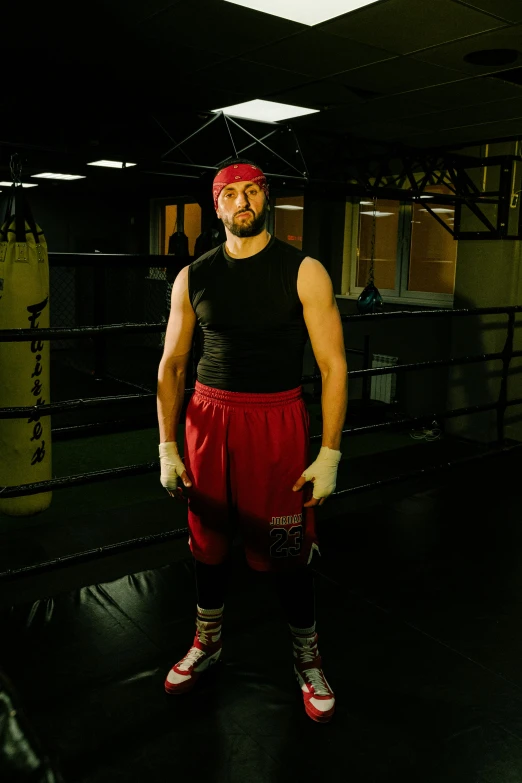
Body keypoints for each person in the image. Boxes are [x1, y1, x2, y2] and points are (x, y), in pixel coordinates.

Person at [156, 159, 348, 724]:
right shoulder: (193, 276)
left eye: (252, 192)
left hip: (276, 420)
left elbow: (334, 366)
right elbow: (171, 366)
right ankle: (207, 641)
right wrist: (167, 447)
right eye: (230, 194)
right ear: (215, 206)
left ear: (267, 200)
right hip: (208, 418)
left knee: (288, 550)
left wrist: (330, 452)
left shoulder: (304, 270)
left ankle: (306, 657)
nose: (242, 202)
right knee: (208, 541)